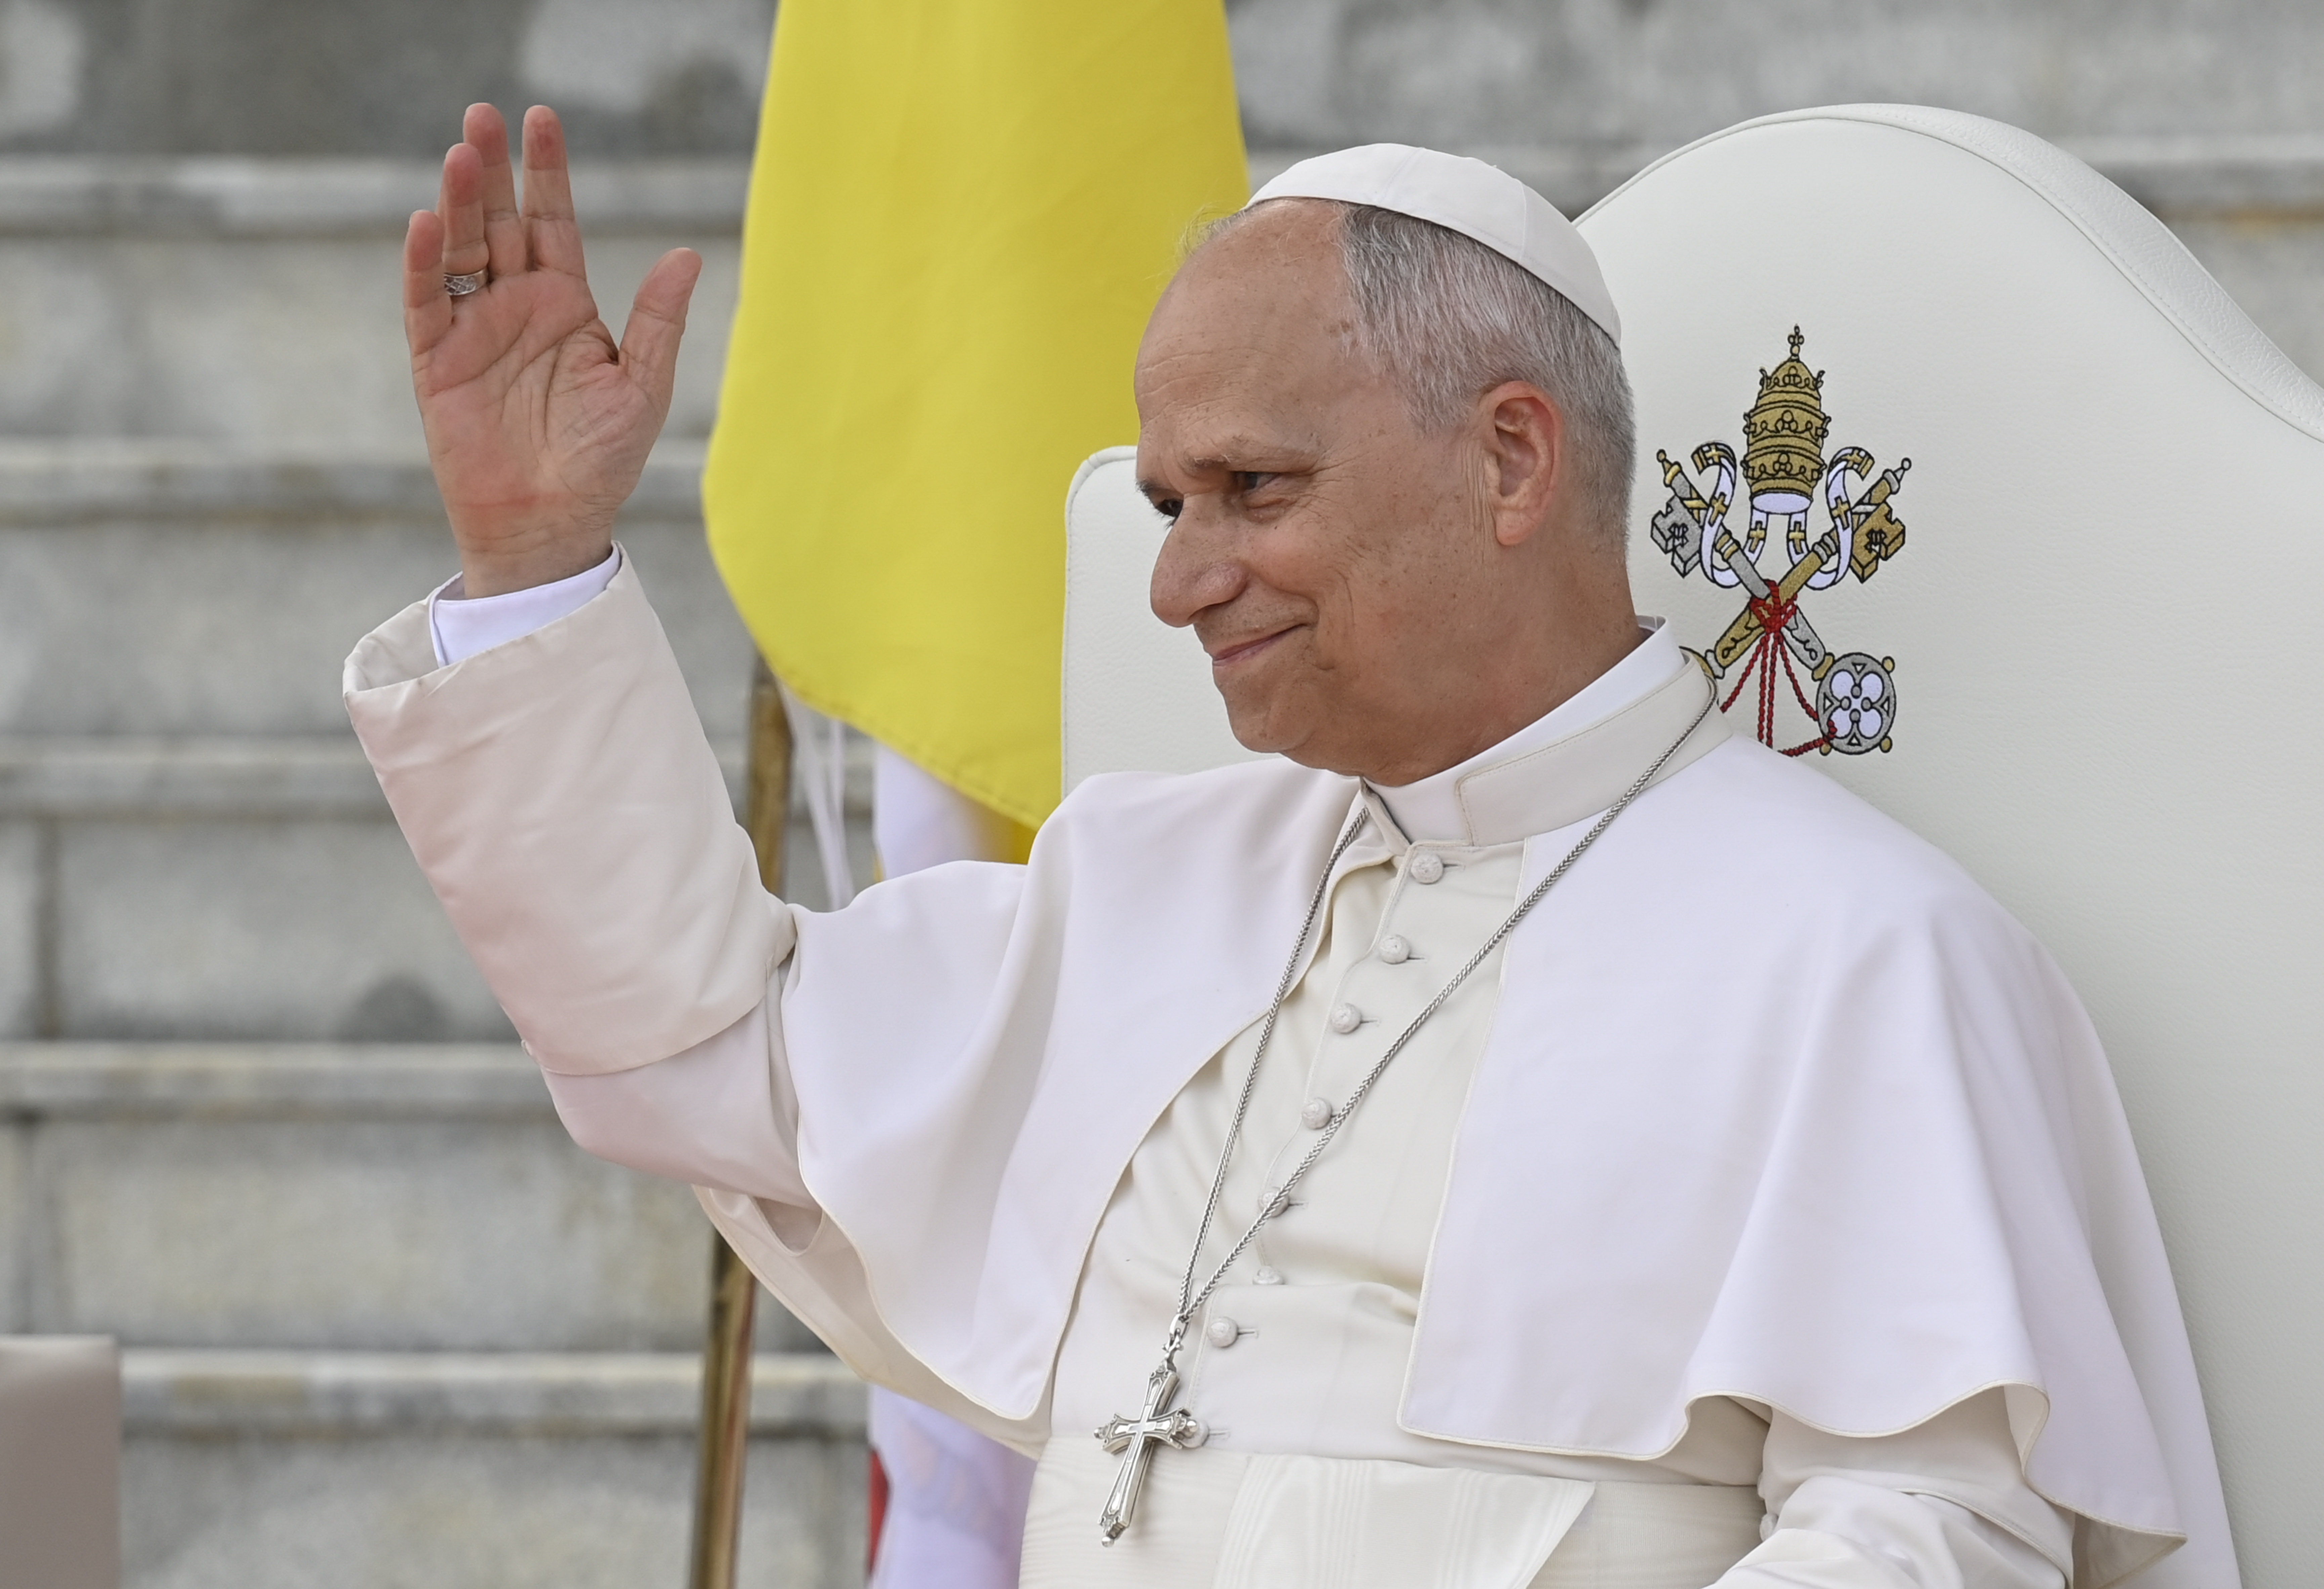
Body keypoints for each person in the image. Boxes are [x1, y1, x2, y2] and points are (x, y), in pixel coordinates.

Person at [350, 105, 2226, 1588]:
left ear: (1509, 461)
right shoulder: (1158, 882)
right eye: (1170, 500)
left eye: (1256, 489)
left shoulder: (1862, 951)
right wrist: (528, 561)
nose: (1174, 576)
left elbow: (1933, 1536)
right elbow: (700, 1048)